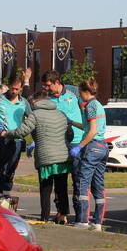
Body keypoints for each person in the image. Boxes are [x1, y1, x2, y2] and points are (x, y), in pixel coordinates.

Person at [4, 92, 71, 224]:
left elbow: (22, 131)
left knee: (46, 189)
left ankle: (45, 217)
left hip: (46, 158)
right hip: (63, 157)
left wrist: (7, 133)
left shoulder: (35, 115)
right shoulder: (61, 113)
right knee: (61, 188)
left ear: (34, 102)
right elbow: (70, 133)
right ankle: (63, 215)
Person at [41, 69, 86, 218]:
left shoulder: (74, 92)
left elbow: (85, 111)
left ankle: (80, 215)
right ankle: (62, 213)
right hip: (58, 143)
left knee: (78, 179)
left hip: (77, 142)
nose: (46, 89)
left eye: (48, 85)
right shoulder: (47, 99)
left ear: (57, 83)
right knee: (60, 180)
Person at [71, 78, 108, 231]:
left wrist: (79, 146)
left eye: (80, 94)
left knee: (83, 183)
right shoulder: (99, 105)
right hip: (103, 147)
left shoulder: (90, 106)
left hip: (92, 148)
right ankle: (98, 222)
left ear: (85, 92)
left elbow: (92, 131)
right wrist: (72, 122)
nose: (80, 97)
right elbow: (88, 126)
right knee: (98, 185)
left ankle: (83, 220)